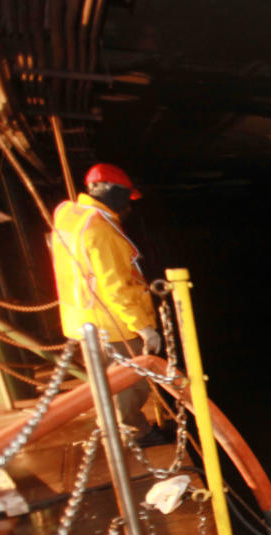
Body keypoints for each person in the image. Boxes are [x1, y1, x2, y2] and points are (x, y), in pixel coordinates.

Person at [51, 162, 164, 441]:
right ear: (113, 192)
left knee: (103, 383)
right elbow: (116, 286)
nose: (128, 205)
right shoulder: (100, 229)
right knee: (129, 384)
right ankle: (133, 434)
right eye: (126, 197)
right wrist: (144, 328)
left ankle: (114, 427)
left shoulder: (67, 213)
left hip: (83, 318)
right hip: (111, 322)